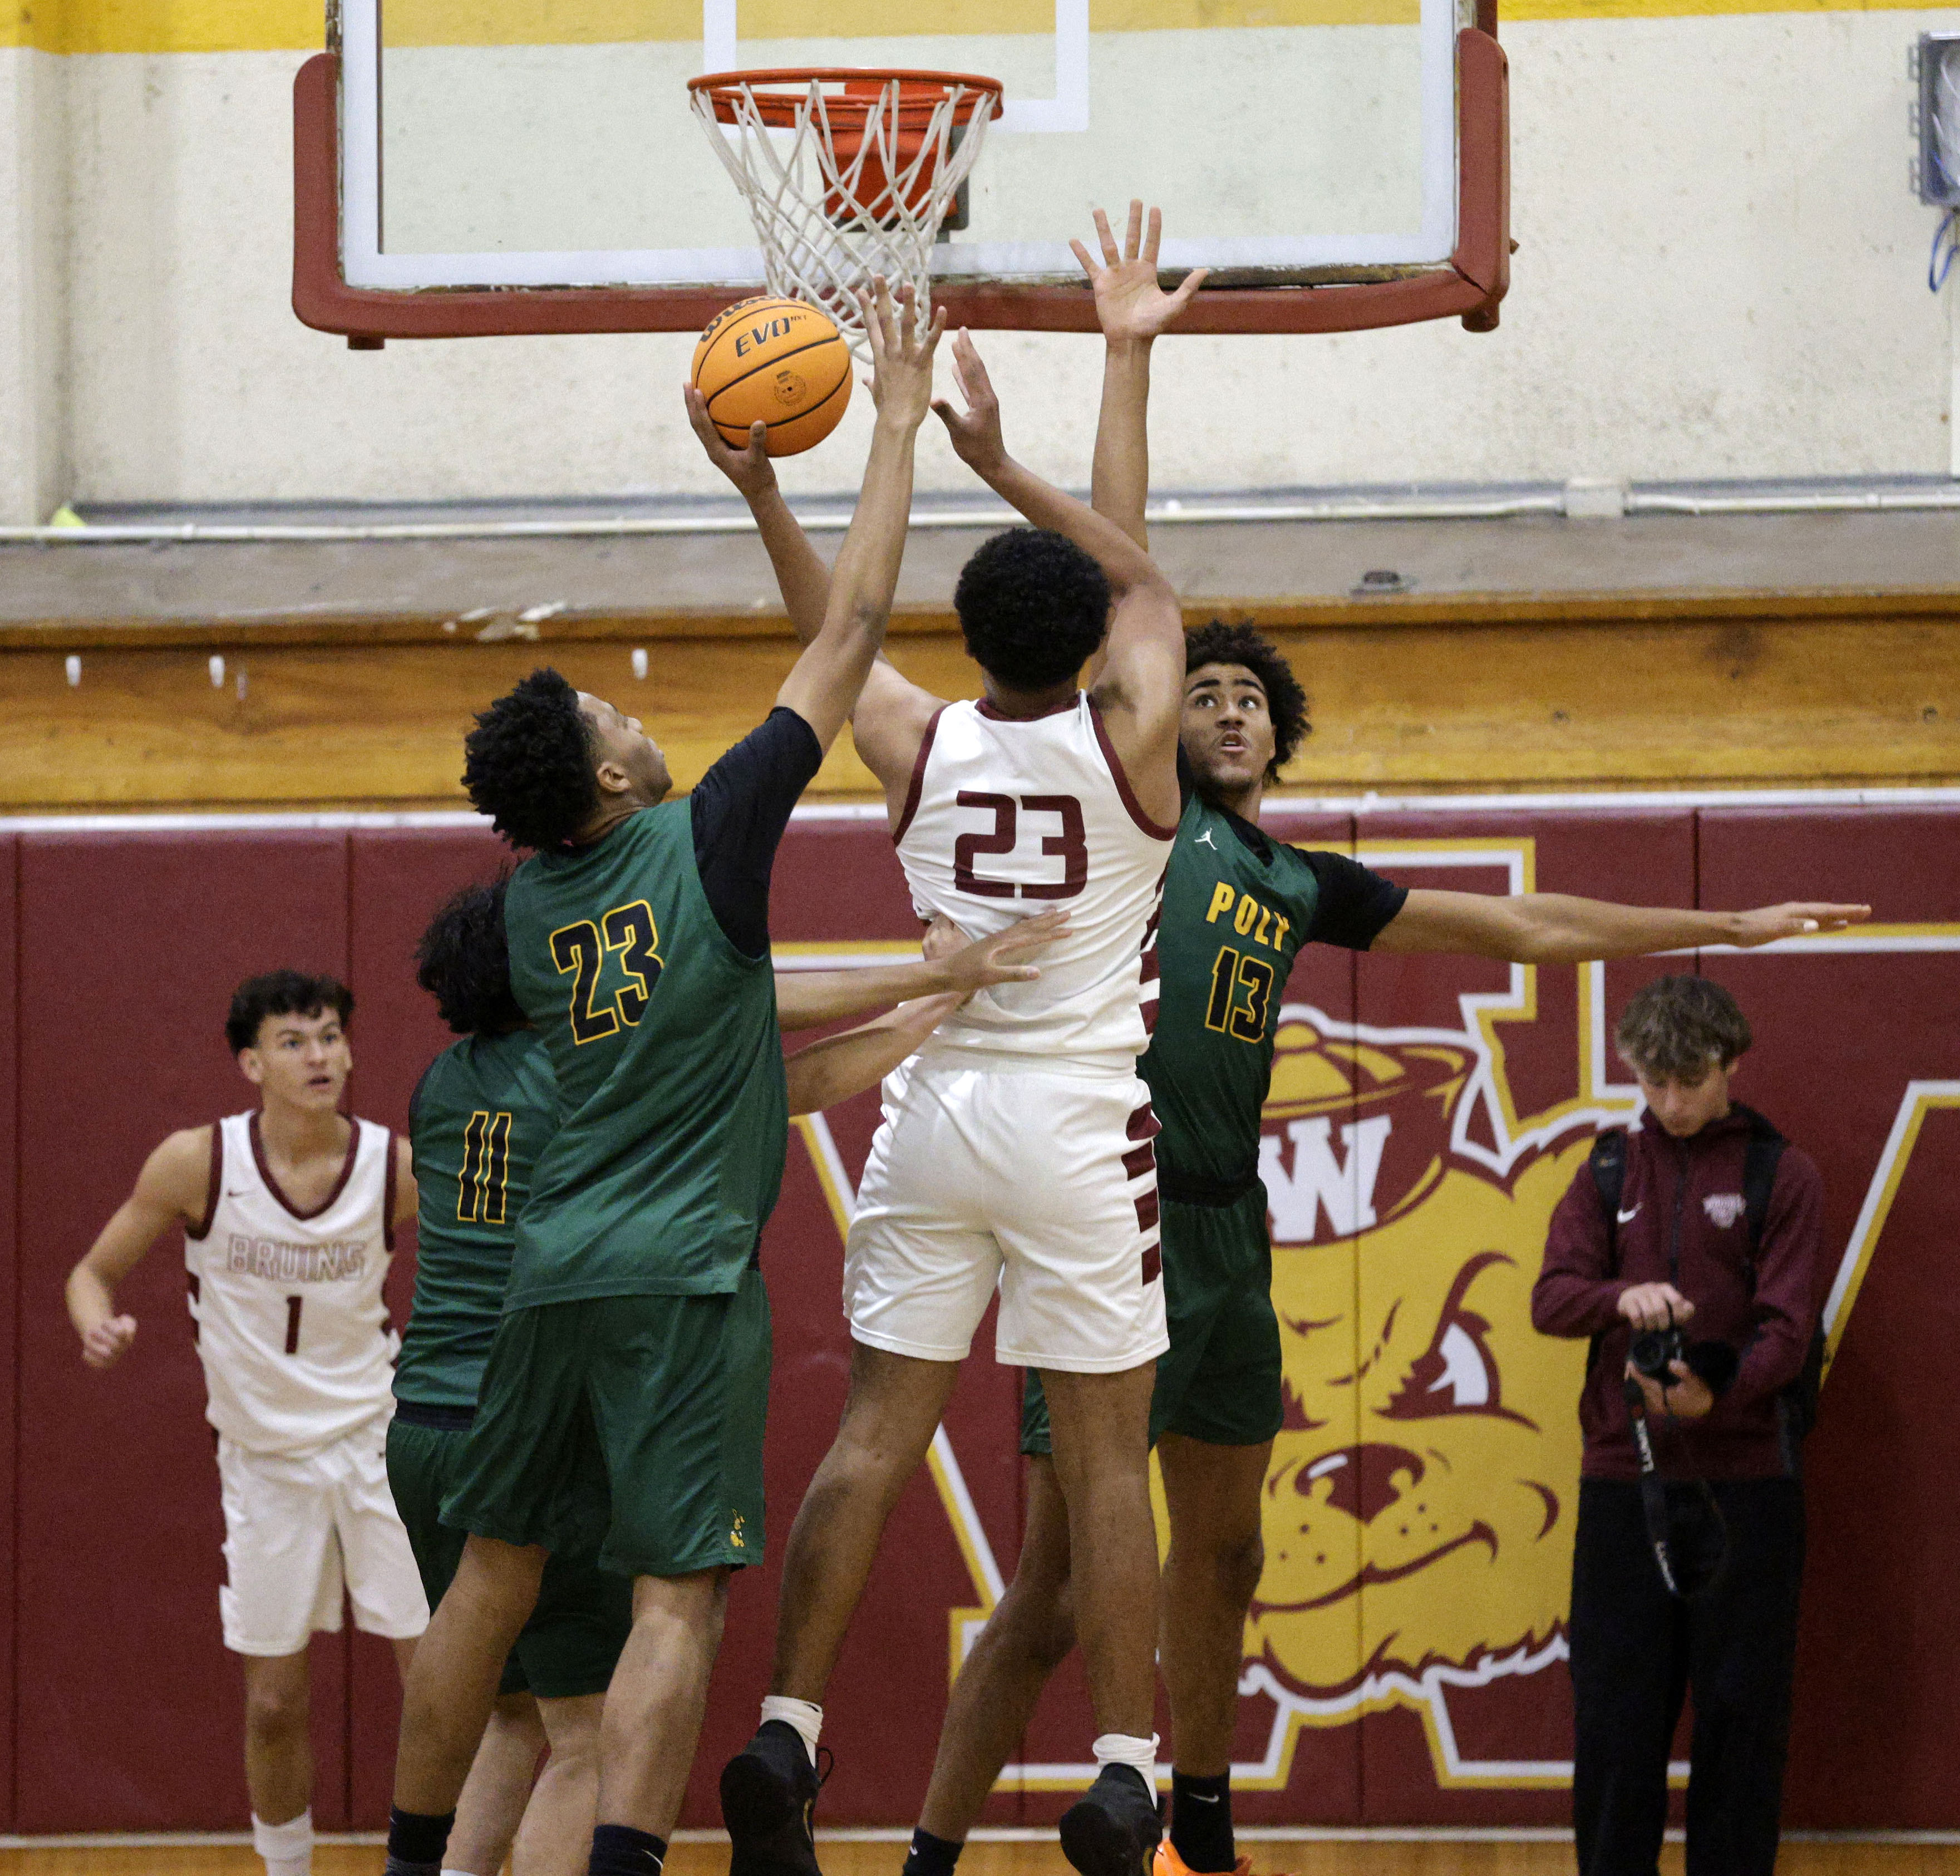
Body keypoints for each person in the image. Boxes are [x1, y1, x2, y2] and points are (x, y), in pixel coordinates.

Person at [859, 206, 1874, 1876]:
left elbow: (1527, 929)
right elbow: (1122, 557)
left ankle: (1196, 1826)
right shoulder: (1131, 804)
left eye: (1258, 698)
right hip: (1092, 1197)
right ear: (1153, 715)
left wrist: (1724, 926)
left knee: (1231, 1552)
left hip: (1223, 1224)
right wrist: (1125, 356)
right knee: (1047, 1588)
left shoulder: (1293, 874)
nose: (1233, 705)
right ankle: (927, 1849)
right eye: (1210, 691)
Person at [379, 279, 946, 1876]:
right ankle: (623, 1859)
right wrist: (886, 426)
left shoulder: (538, 908)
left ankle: (414, 1862)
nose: (634, 710)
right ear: (615, 778)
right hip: (685, 1283)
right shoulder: (707, 838)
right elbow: (849, 632)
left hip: (548, 1283)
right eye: (614, 711)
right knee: (672, 1596)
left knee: (488, 1578)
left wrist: (761, 478)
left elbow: (747, 1020)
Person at [692, 213, 1208, 1876]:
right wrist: (1013, 439)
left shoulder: (917, 741)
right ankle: (1126, 1765)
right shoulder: (1135, 753)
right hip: (1074, 1124)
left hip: (934, 1108)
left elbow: (834, 630)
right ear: (1093, 651)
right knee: (1112, 1451)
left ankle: (789, 1726)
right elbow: (1134, 567)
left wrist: (779, 484)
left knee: (871, 1437)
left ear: (979, 638)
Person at [393, 879, 1047, 1876]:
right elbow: (780, 1077)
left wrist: (921, 1007)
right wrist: (933, 996)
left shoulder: (442, 1086)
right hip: (528, 1411)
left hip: (423, 1424)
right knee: (580, 1738)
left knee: (509, 1720)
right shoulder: (592, 1072)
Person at [64, 971, 435, 1876]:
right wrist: (95, 1324)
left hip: (377, 1442)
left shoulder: (396, 1164)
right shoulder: (196, 1162)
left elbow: (492, 1250)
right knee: (273, 1701)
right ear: (250, 1062)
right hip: (265, 1462)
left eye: (332, 1037)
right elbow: (89, 1273)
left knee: (436, 1686)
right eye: (295, 1041)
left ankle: (439, 1863)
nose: (320, 1057)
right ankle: (287, 1870)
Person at [1532, 977, 1827, 1876]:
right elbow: (1551, 1299)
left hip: (1746, 1486)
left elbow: (1787, 1329)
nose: (1670, 1102)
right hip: (1623, 1483)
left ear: (1731, 1062)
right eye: (1652, 1082)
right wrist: (1623, 1298)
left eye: (1688, 1081)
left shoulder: (1782, 1173)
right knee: (1616, 1733)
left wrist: (1715, 1388)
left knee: (1740, 1732)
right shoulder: (1607, 1167)